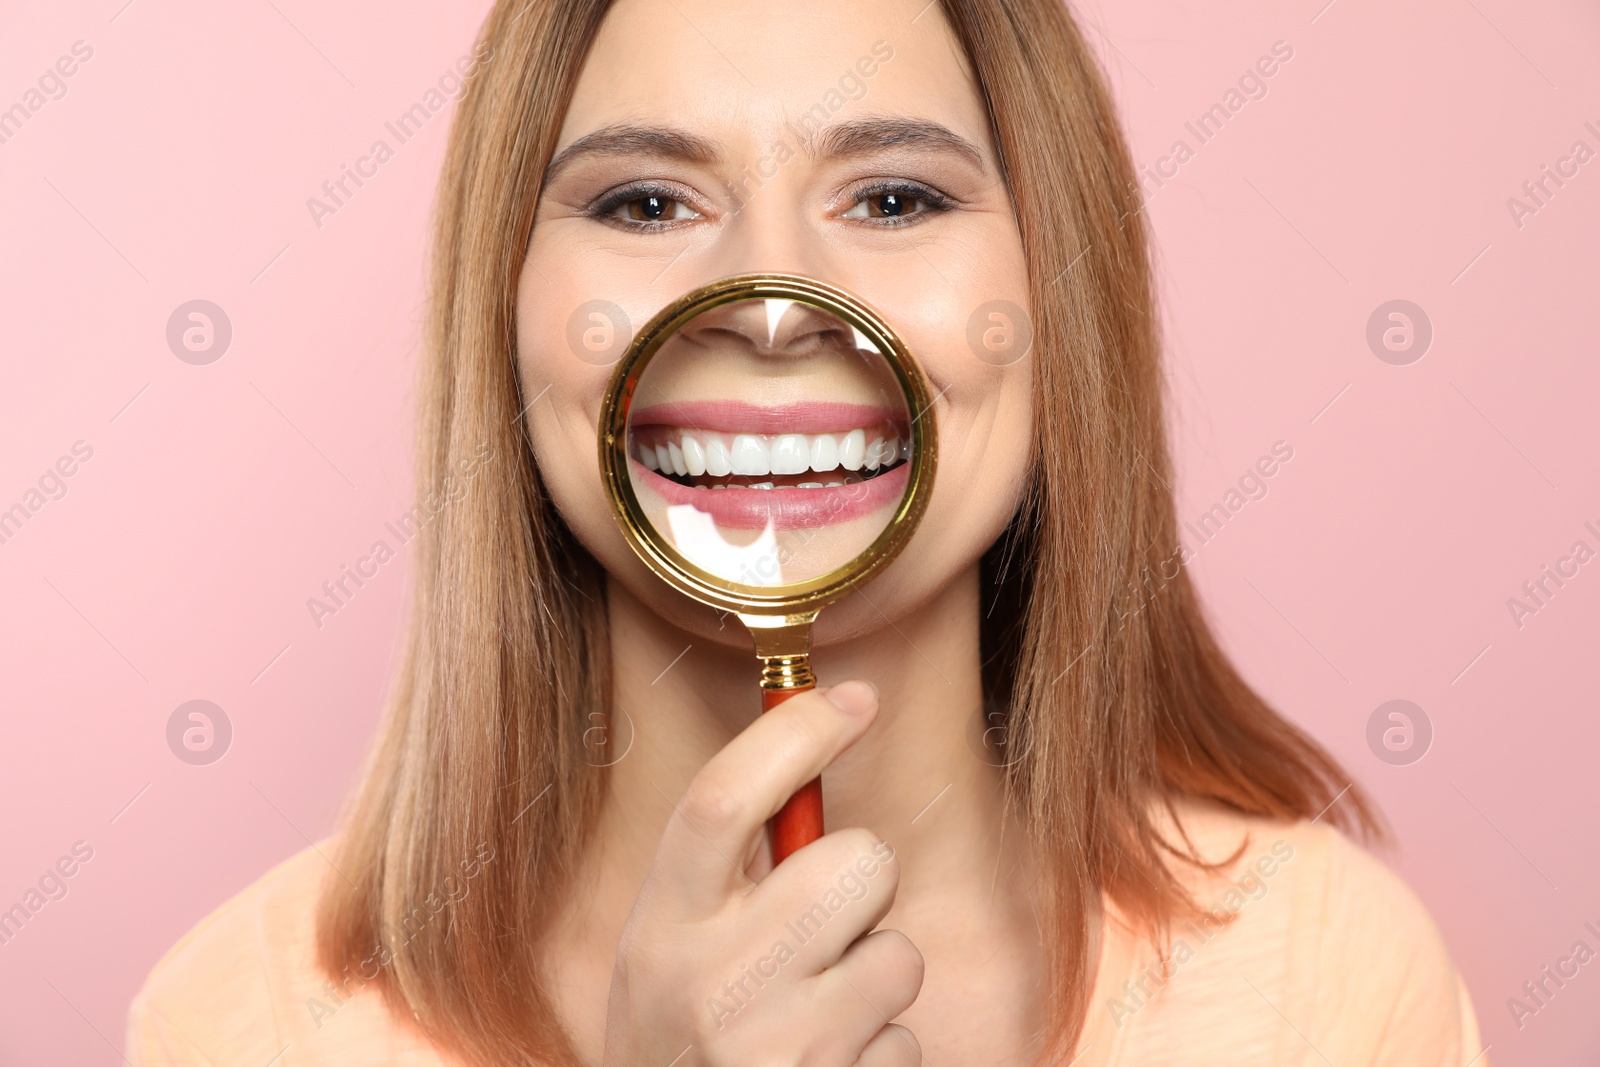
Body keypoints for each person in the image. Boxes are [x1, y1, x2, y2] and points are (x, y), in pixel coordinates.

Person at [126, 0, 1487, 1063]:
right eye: (646, 202)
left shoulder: (1320, 983)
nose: (770, 307)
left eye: (895, 197)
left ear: (1058, 292)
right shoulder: (242, 1024)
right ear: (508, 312)